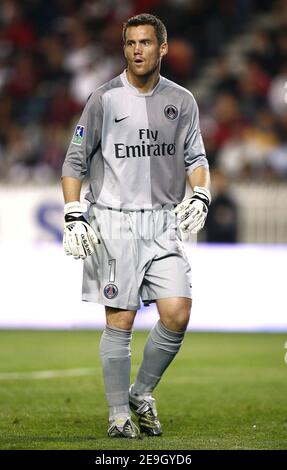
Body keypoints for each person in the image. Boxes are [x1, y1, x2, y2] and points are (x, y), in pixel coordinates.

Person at [61, 13, 211, 439]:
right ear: (124, 47)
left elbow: (195, 158)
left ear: (162, 48)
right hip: (114, 222)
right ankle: (118, 416)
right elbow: (74, 161)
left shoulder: (182, 101)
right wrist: (73, 212)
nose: (137, 50)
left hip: (163, 223)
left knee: (178, 313)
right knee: (120, 320)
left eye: (145, 42)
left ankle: (141, 392)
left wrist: (200, 193)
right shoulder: (103, 99)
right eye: (130, 43)